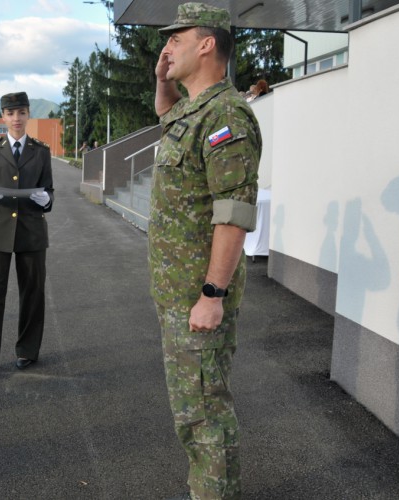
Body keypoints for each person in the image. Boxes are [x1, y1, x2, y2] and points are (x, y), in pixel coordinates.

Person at [151, 3, 261, 499]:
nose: (167, 45)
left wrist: (212, 294)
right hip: (177, 294)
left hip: (198, 296)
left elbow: (233, 215)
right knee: (190, 408)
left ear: (207, 43)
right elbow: (167, 116)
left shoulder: (226, 115)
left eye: (178, 37)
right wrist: (163, 79)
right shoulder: (196, 110)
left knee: (204, 412)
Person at [0, 91, 54, 380]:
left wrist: (47, 199)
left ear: (28, 114)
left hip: (32, 230)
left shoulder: (40, 151)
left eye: (21, 113)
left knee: (32, 293)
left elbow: (49, 189)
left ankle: (27, 350)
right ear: (3, 117)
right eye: (11, 113)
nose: (16, 119)